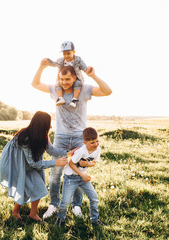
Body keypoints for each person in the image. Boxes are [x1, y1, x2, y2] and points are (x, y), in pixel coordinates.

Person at [31, 58, 112, 220]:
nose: (64, 82)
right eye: (61, 79)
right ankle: (53, 204)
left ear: (75, 78)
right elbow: (35, 84)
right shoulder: (55, 89)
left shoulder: (83, 89)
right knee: (56, 174)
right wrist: (41, 67)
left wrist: (94, 76)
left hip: (78, 137)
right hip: (60, 136)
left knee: (78, 172)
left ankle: (76, 206)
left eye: (67, 79)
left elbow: (107, 91)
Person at [0, 111, 77, 222]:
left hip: (26, 163)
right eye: (48, 124)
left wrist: (68, 153)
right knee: (23, 185)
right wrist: (55, 163)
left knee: (38, 185)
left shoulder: (42, 136)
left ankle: (33, 214)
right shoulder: (26, 138)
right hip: (15, 164)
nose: (50, 126)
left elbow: (52, 150)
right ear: (42, 125)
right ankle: (15, 212)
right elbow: (34, 163)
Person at [56, 127, 104, 227]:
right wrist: (82, 175)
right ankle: (60, 219)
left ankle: (95, 220)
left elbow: (94, 162)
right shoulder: (81, 151)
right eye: (92, 143)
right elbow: (71, 164)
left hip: (82, 178)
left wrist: (88, 164)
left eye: (97, 141)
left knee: (94, 198)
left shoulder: (97, 149)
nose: (95, 144)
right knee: (65, 201)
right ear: (85, 142)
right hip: (71, 177)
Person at [47, 41, 90, 108]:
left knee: (77, 83)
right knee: (57, 83)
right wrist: (48, 61)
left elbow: (84, 67)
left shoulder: (78, 59)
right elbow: (54, 64)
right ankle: (60, 98)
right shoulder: (61, 60)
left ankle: (74, 100)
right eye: (64, 54)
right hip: (65, 79)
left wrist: (87, 70)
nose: (66, 56)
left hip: (75, 79)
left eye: (68, 53)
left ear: (73, 52)